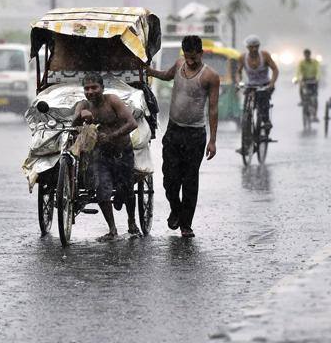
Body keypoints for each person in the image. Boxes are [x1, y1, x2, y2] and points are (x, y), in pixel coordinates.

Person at [144, 35, 220, 238]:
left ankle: (186, 224)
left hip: (195, 134)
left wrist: (212, 140)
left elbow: (213, 109)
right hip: (174, 130)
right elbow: (167, 76)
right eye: (187, 57)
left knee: (190, 180)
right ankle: (175, 209)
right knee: (169, 178)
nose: (191, 61)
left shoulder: (210, 76)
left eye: (194, 57)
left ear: (201, 53)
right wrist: (149, 71)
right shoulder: (179, 64)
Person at [72, 74, 138, 241]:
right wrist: (80, 116)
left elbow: (132, 123)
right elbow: (73, 124)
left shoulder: (112, 101)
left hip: (123, 152)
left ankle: (132, 222)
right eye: (87, 88)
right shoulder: (83, 104)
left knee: (127, 190)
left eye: (94, 87)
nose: (90, 91)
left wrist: (112, 136)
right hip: (100, 155)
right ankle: (112, 229)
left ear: (102, 88)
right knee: (102, 192)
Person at [235, 35, 279, 130]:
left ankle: (265, 120)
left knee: (263, 102)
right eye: (251, 47)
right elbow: (238, 72)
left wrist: (272, 83)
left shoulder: (265, 55)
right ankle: (247, 123)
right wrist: (239, 82)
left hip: (264, 85)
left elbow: (275, 69)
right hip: (251, 85)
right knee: (247, 104)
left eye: (256, 46)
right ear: (247, 47)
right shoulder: (243, 58)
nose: (254, 49)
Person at [294, 49, 321, 121]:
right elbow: (298, 71)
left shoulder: (315, 62)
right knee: (301, 88)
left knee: (315, 98)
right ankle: (302, 100)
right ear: (304, 55)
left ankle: (315, 115)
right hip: (305, 80)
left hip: (313, 80)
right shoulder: (301, 63)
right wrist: (297, 78)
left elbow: (318, 71)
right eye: (305, 55)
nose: (307, 56)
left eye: (308, 54)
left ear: (310, 55)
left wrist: (317, 78)